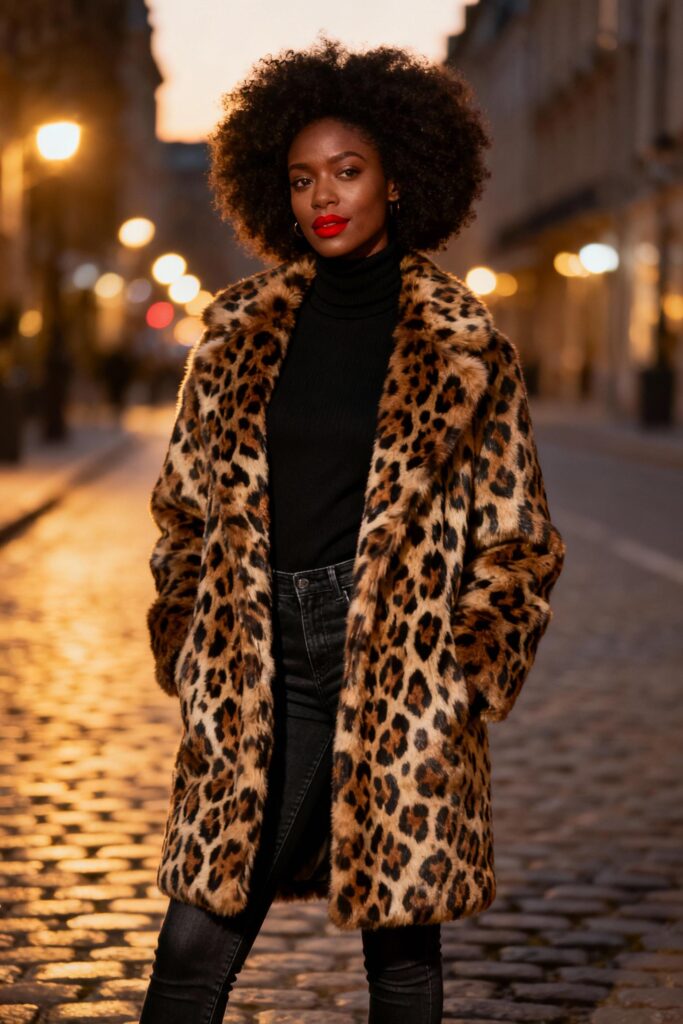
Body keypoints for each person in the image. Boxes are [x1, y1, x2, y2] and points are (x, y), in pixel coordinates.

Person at [139, 38, 566, 1024]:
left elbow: (517, 539)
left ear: (398, 180)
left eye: (346, 171)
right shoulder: (235, 334)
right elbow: (183, 511)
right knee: (196, 936)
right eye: (300, 178)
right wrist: (187, 635)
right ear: (273, 192)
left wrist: (464, 672)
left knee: (403, 944)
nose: (322, 196)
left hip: (399, 657)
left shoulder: (466, 348)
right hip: (259, 651)